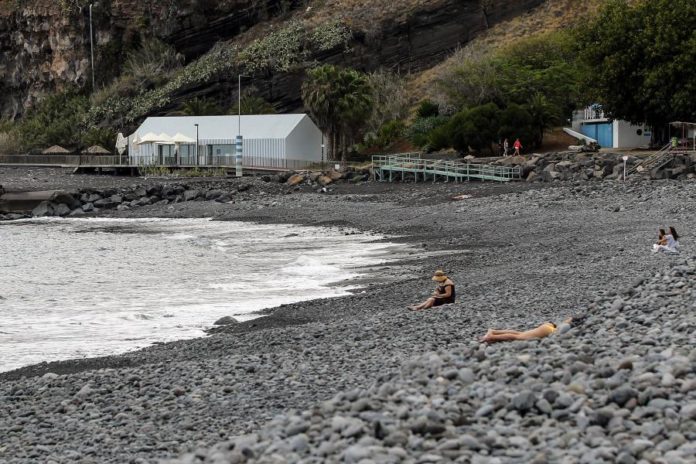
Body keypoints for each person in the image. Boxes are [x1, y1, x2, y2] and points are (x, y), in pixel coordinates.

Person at [480, 321, 557, 343]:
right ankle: (492, 336)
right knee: (517, 336)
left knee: (519, 333)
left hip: (550, 325)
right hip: (551, 329)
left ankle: (493, 332)